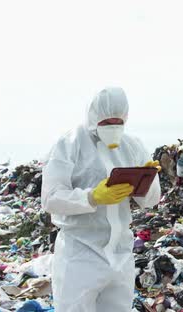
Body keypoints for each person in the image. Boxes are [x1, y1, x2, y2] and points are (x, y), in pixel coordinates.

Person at [42, 87, 161, 312]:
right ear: (93, 117)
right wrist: (91, 197)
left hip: (120, 253)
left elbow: (151, 201)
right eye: (107, 122)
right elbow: (50, 198)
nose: (113, 127)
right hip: (80, 253)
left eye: (118, 122)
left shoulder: (132, 145)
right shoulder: (69, 144)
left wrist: (147, 182)